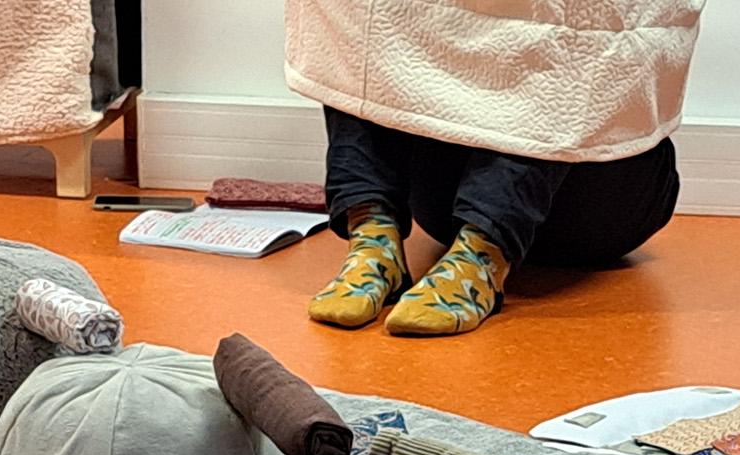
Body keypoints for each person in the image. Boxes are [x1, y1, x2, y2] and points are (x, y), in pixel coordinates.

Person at [282, 1, 704, 337]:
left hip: (597, 207)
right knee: (366, 15)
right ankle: (374, 237)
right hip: (444, 205)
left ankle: (483, 253)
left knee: (577, 17)